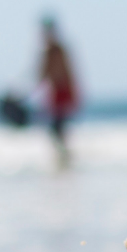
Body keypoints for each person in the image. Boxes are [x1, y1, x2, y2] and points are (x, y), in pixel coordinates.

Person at [37, 15, 81, 167]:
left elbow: (56, 73)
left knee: (57, 129)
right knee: (57, 129)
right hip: (57, 93)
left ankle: (66, 160)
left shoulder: (56, 50)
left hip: (62, 93)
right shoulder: (52, 50)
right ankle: (64, 159)